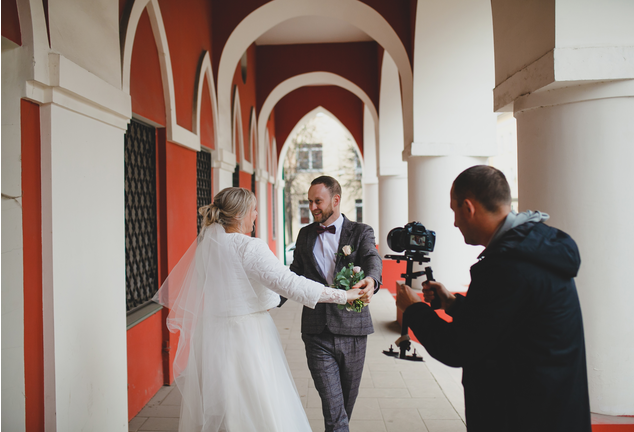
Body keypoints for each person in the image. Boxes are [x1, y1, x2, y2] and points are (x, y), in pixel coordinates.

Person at [154, 187, 368, 432]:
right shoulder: (250, 247)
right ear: (240, 214)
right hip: (248, 336)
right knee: (260, 404)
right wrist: (344, 295)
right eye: (253, 209)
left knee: (225, 404)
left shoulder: (207, 246)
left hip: (212, 335)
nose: (256, 215)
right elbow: (291, 284)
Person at [395, 165, 592, 432]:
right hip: (552, 408)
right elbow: (504, 320)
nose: (454, 222)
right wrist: (452, 303)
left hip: (522, 415)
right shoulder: (533, 248)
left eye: (454, 211)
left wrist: (415, 309)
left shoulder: (505, 267)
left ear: (468, 208)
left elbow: (458, 347)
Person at [287, 176, 382, 432]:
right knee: (334, 412)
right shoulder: (305, 235)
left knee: (343, 410)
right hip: (316, 332)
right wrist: (271, 298)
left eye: (318, 201)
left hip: (353, 331)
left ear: (336, 200)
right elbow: (294, 273)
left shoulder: (361, 231)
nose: (313, 207)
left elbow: (372, 258)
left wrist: (372, 279)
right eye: (309, 202)